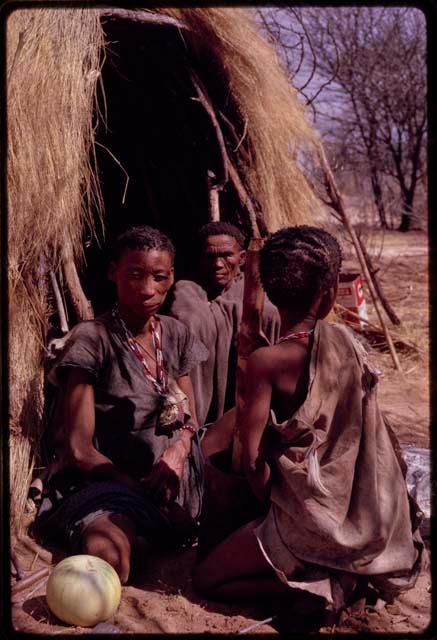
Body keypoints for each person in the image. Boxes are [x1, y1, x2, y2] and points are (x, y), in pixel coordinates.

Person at [193, 225, 426, 617]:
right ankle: (339, 573)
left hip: (312, 520)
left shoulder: (268, 362)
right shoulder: (351, 344)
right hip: (372, 512)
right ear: (331, 292)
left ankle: (316, 589)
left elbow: (250, 462)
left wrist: (274, 508)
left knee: (206, 579)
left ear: (267, 289)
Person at [33, 226, 208, 584]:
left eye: (159, 277)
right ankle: (141, 531)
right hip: (114, 484)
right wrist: (147, 496)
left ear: (171, 277)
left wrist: (179, 450)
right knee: (109, 559)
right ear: (113, 272)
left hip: (174, 475)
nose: (147, 289)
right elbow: (80, 450)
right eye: (134, 275)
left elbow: (191, 412)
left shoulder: (175, 333)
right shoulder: (92, 340)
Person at [166, 222, 280, 424]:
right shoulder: (188, 288)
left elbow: (269, 317)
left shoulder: (256, 288)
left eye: (226, 255)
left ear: (242, 258)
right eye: (210, 257)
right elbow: (188, 318)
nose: (218, 264)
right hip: (198, 413)